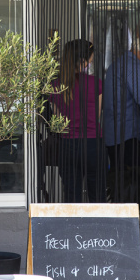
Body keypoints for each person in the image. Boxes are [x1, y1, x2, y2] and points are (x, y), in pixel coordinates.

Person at [102, 36, 140, 203]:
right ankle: (129, 220)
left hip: (114, 134)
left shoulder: (117, 64)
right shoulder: (134, 68)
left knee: (118, 182)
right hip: (129, 135)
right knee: (131, 185)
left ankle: (119, 217)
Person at [49, 40, 104, 203]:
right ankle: (99, 228)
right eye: (90, 61)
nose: (90, 64)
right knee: (98, 196)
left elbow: (57, 123)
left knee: (72, 196)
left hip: (68, 145)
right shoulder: (96, 83)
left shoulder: (55, 86)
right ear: (83, 61)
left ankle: (74, 228)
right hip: (94, 144)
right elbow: (97, 115)